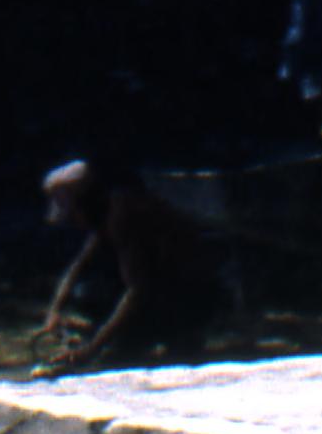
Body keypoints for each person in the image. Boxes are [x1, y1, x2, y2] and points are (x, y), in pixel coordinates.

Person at [38, 151, 222, 369]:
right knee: (87, 292)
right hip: (173, 291)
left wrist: (91, 350)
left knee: (101, 299)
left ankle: (170, 334)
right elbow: (79, 266)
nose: (75, 222)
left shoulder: (122, 216)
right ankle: (136, 338)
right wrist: (55, 310)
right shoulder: (107, 213)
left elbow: (138, 291)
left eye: (73, 213)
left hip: (192, 296)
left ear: (85, 202)